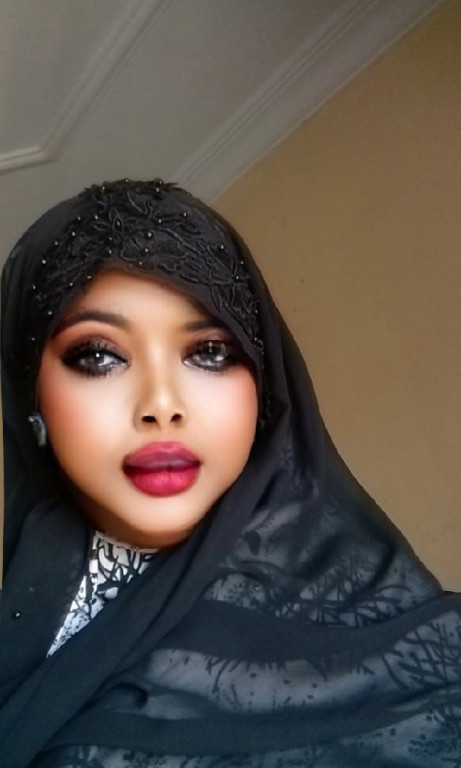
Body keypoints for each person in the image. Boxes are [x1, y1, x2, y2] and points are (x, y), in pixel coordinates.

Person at [1, 178, 460, 768]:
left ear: (263, 386)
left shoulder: (420, 649)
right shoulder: (24, 624)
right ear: (30, 398)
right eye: (98, 355)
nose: (161, 404)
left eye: (210, 352)